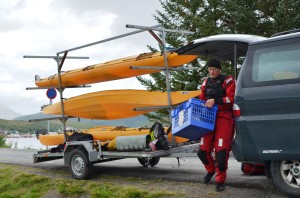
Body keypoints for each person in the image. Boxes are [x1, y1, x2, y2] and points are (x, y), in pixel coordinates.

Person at [197, 58, 236, 192]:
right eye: (210, 69)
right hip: (208, 118)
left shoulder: (228, 80)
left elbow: (231, 99)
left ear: (220, 69)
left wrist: (215, 100)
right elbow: (202, 100)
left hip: (224, 117)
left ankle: (220, 181)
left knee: (221, 152)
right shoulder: (205, 82)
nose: (212, 71)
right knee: (202, 151)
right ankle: (211, 170)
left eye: (214, 69)